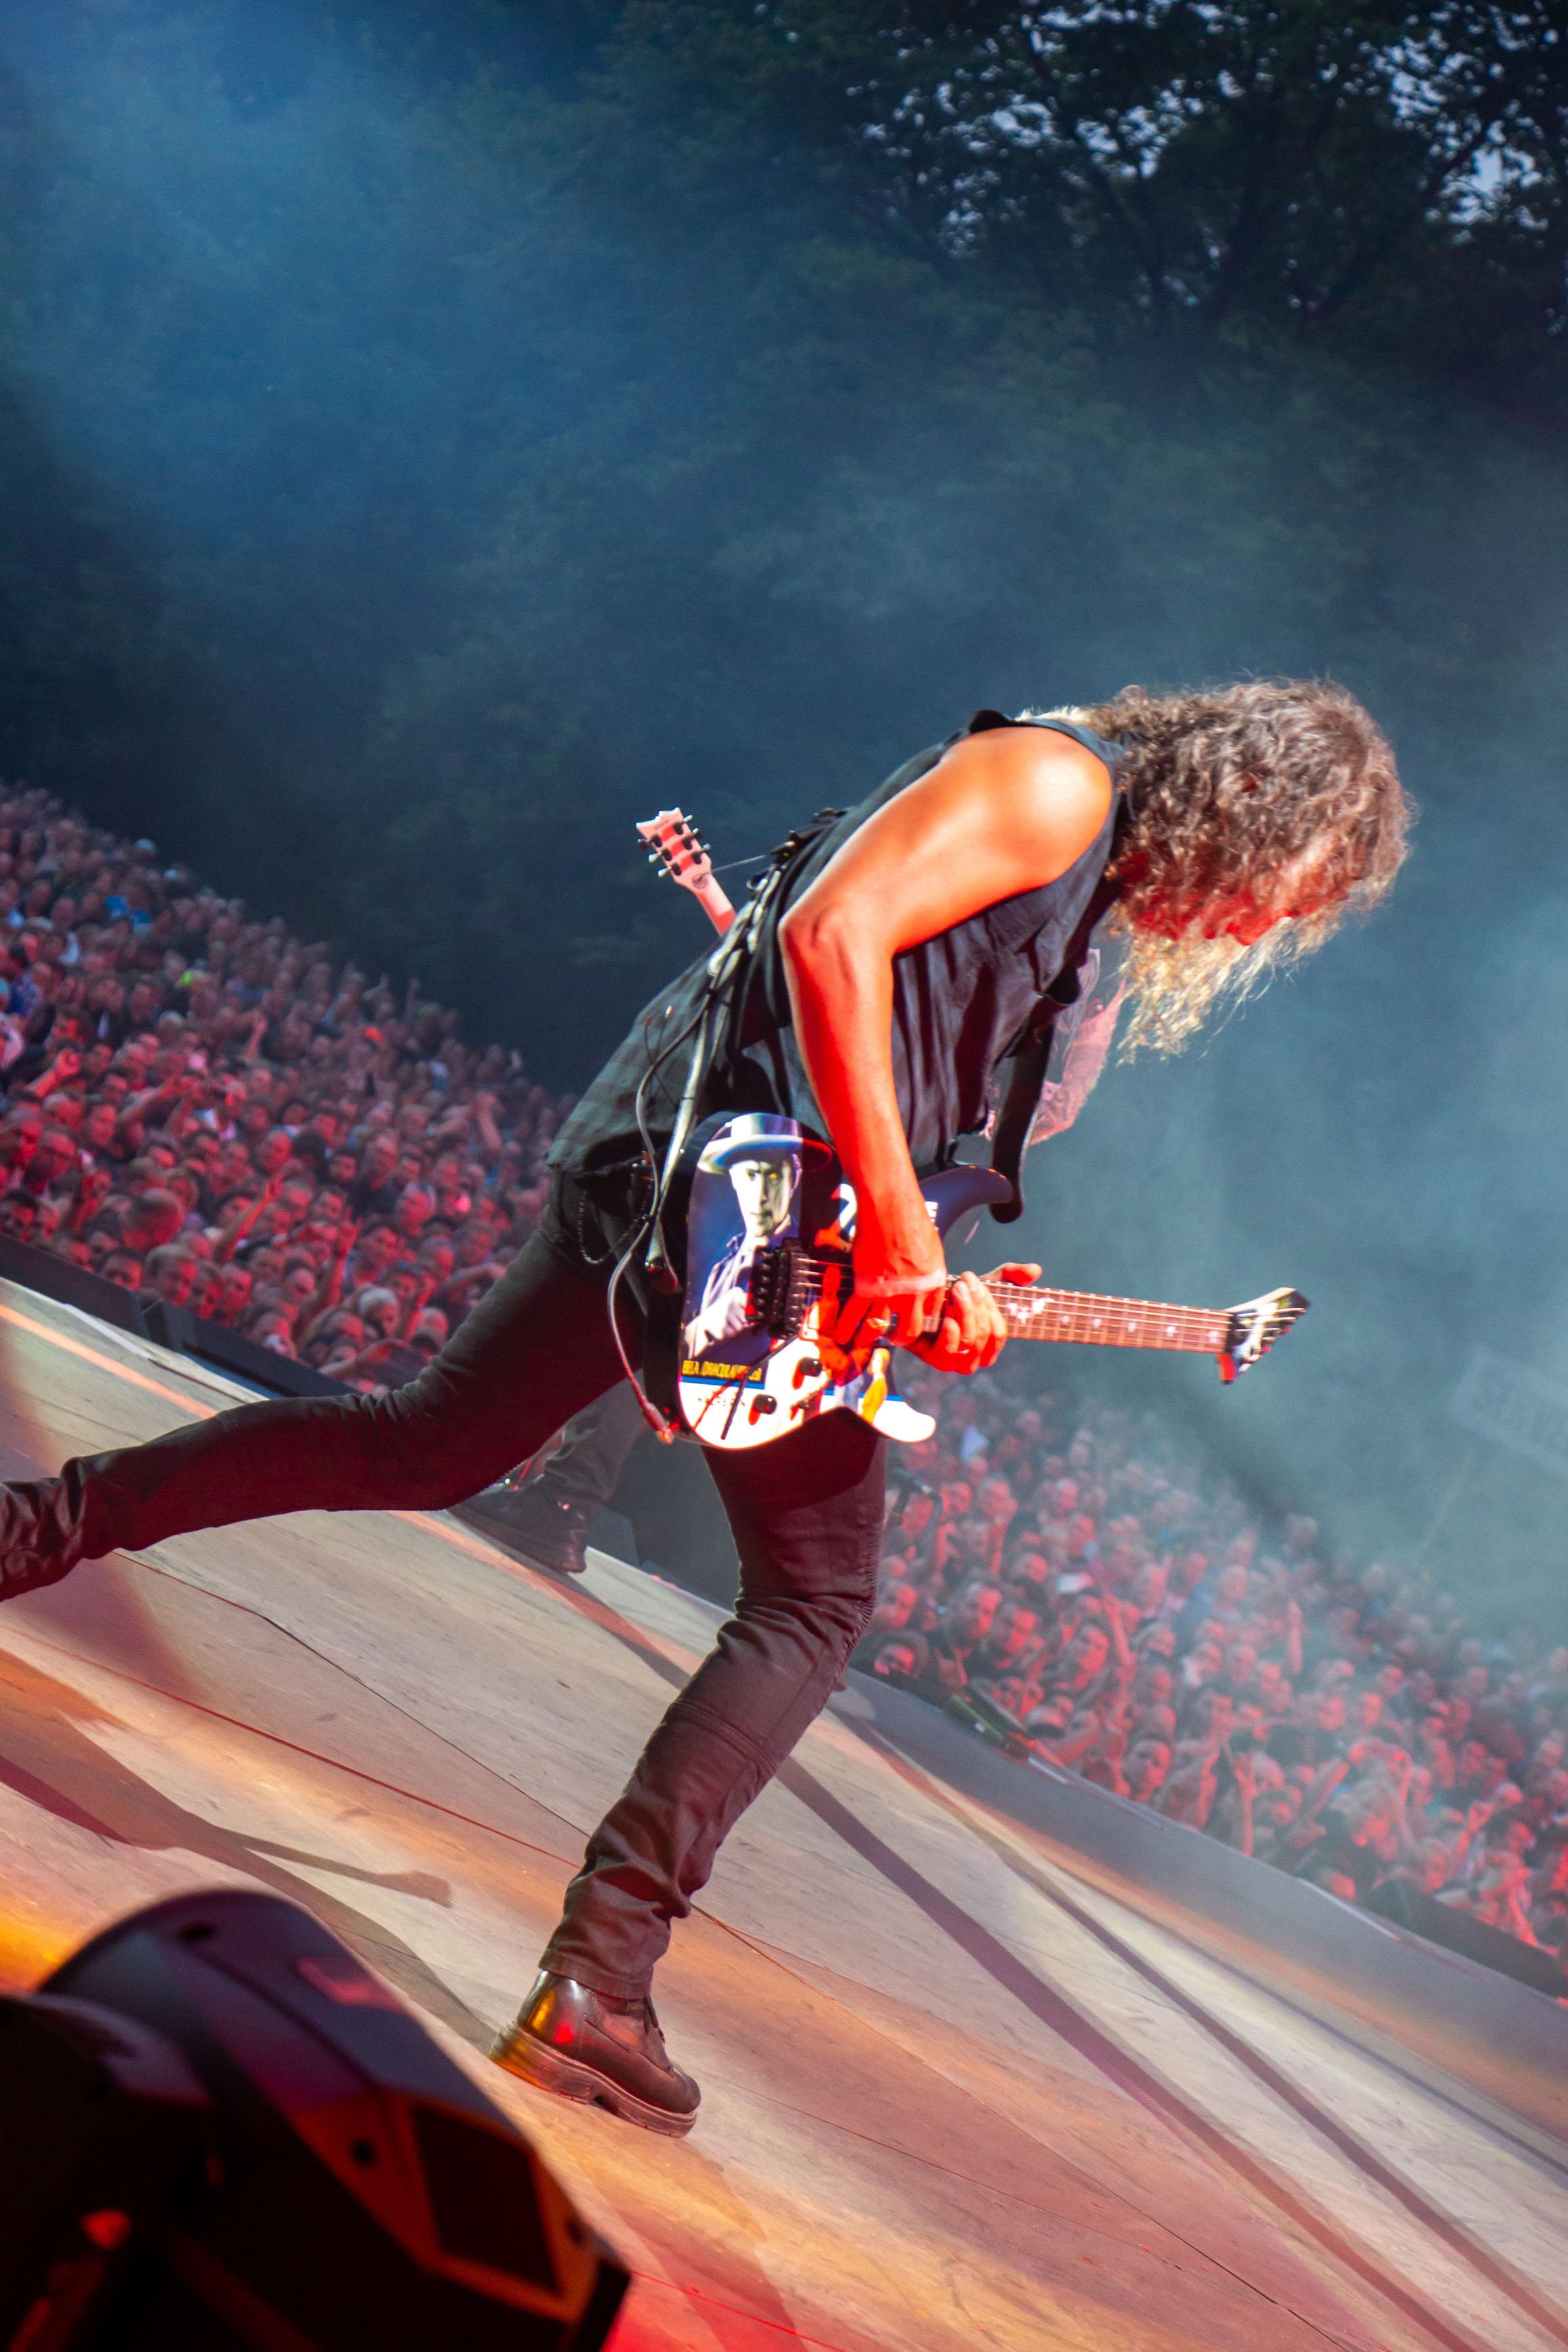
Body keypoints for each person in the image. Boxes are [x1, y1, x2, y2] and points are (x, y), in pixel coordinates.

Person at [0, 682, 1410, 2135]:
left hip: (725, 1198)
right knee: (812, 1600)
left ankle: (28, 1531)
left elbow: (894, 1054)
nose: (1255, 929)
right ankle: (598, 1980)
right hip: (722, 1200)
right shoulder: (1056, 783)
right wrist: (903, 1247)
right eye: (1283, 893)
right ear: (1254, 802)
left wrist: (928, 1258)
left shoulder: (1078, 875)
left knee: (425, 1445)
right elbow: (828, 937)